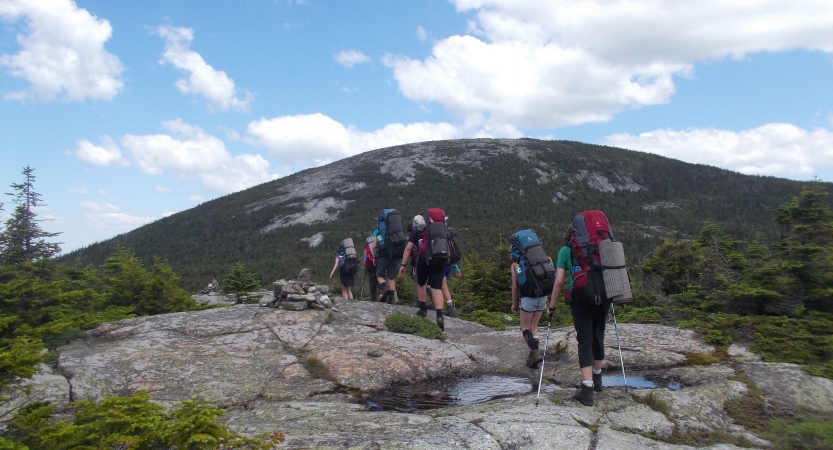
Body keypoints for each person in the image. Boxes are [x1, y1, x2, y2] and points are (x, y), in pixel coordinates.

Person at [549, 227, 610, 406]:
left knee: (584, 339)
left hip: (579, 298)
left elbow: (559, 281)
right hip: (603, 296)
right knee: (599, 334)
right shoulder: (601, 247)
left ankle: (587, 389)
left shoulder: (566, 250)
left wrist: (552, 306)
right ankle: (598, 380)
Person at [398, 214, 447, 330]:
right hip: (439, 261)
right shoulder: (440, 232)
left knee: (421, 283)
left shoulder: (417, 232)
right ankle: (440, 315)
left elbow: (408, 248)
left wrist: (403, 265)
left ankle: (423, 309)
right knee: (437, 288)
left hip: (423, 261)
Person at [510, 249, 546, 369]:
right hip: (542, 296)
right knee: (534, 327)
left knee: (525, 328)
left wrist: (514, 303)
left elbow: (515, 286)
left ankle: (535, 354)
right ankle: (534, 357)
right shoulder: (539, 260)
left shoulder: (516, 264)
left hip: (527, 298)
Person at [371, 216, 403, 304]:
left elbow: (374, 246)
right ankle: (391, 300)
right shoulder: (394, 232)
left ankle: (385, 288)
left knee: (379, 275)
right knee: (391, 278)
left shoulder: (378, 231)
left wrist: (374, 257)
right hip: (394, 257)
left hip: (383, 256)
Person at [363, 235, 380, 301]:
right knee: (380, 278)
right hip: (379, 261)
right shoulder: (378, 239)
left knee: (372, 281)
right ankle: (381, 295)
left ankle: (373, 299)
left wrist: (364, 260)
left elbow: (365, 251)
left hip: (370, 263)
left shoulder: (367, 241)